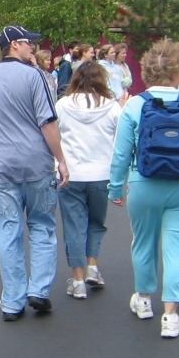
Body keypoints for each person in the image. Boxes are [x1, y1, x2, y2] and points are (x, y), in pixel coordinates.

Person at [109, 40, 179, 338]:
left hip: (144, 183)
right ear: (178, 73)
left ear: (146, 72)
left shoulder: (136, 106)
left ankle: (143, 299)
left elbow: (121, 153)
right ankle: (170, 316)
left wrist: (115, 187)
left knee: (143, 242)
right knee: (177, 249)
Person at [0, 25, 69, 321]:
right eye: (29, 42)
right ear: (15, 44)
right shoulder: (35, 77)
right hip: (36, 163)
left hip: (2, 165)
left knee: (7, 231)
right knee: (42, 225)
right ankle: (39, 289)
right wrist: (62, 160)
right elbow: (47, 122)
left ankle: (12, 301)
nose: (34, 47)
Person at [56, 61, 121, 299]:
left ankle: (78, 279)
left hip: (71, 174)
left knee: (74, 226)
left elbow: (55, 134)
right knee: (96, 222)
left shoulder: (63, 105)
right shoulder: (112, 107)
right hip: (102, 174)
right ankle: (93, 264)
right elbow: (121, 142)